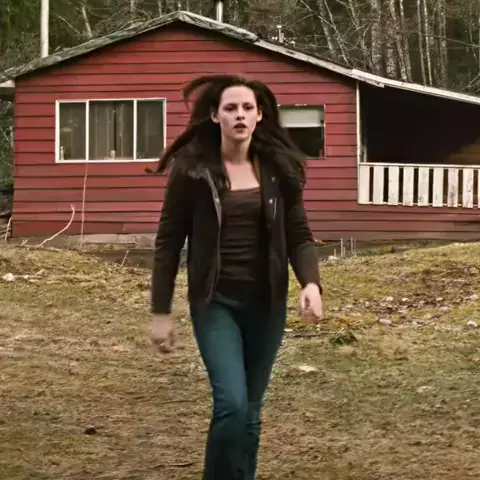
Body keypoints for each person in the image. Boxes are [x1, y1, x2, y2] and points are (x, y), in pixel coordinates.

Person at [149, 75, 323, 480]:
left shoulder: (278, 170)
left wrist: (311, 283)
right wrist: (160, 311)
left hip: (266, 304)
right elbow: (168, 243)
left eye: (247, 108)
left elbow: (299, 234)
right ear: (215, 116)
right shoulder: (193, 172)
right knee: (232, 404)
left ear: (260, 115)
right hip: (216, 303)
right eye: (230, 108)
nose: (239, 115)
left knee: (250, 412)